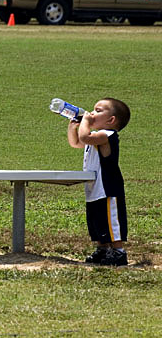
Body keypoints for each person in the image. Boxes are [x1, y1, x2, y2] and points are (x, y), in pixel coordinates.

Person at [66, 98, 131, 266]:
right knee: (97, 220)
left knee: (111, 220)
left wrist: (85, 122)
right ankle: (103, 249)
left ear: (111, 120)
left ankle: (118, 251)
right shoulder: (95, 136)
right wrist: (73, 126)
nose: (92, 113)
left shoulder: (107, 135)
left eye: (98, 110)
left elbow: (85, 137)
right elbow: (76, 143)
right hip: (94, 188)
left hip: (108, 187)